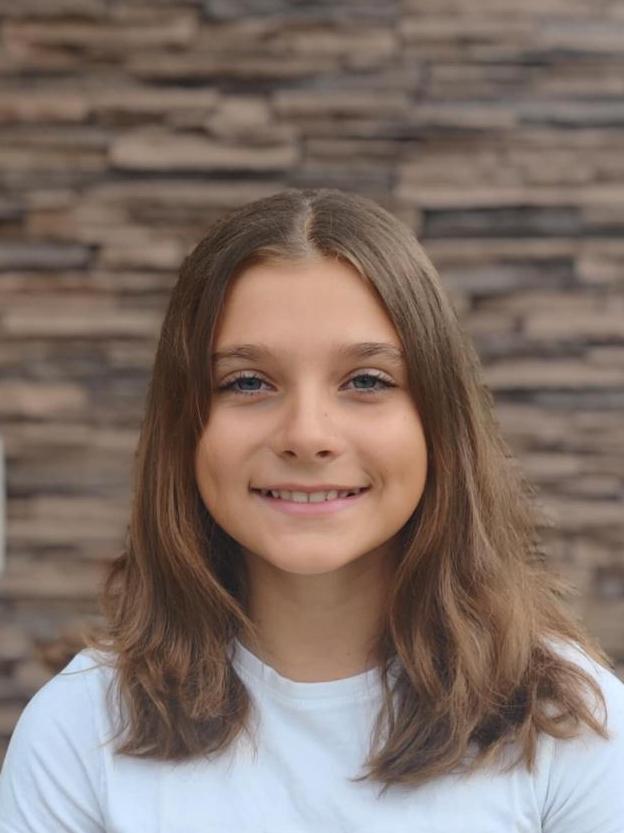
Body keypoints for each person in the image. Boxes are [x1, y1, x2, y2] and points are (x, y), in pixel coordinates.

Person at [0, 187, 623, 832]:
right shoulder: (80, 732)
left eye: (367, 381)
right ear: (184, 428)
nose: (306, 435)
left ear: (440, 423)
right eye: (248, 382)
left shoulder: (571, 729)